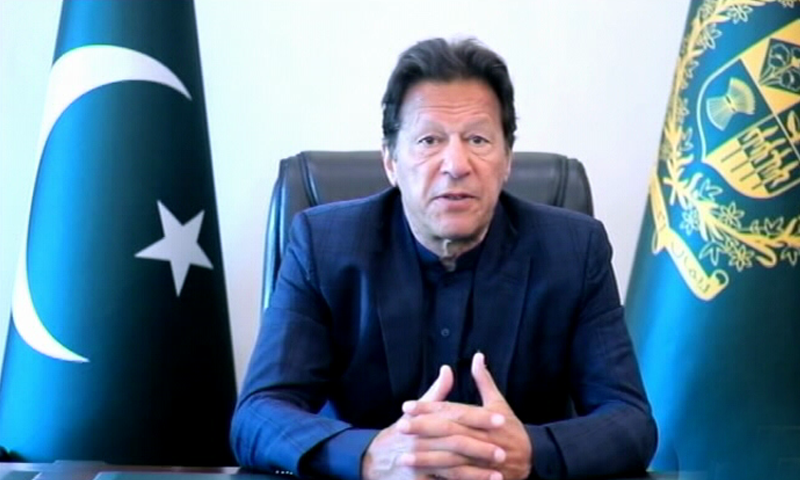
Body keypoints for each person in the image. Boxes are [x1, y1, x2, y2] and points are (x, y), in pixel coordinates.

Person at [230, 37, 657, 480]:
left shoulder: (573, 250)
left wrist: (531, 450)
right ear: (390, 161)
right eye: (429, 140)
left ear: (507, 160)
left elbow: (631, 421)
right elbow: (258, 415)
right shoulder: (324, 246)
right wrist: (370, 455)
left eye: (478, 139)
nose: (456, 164)